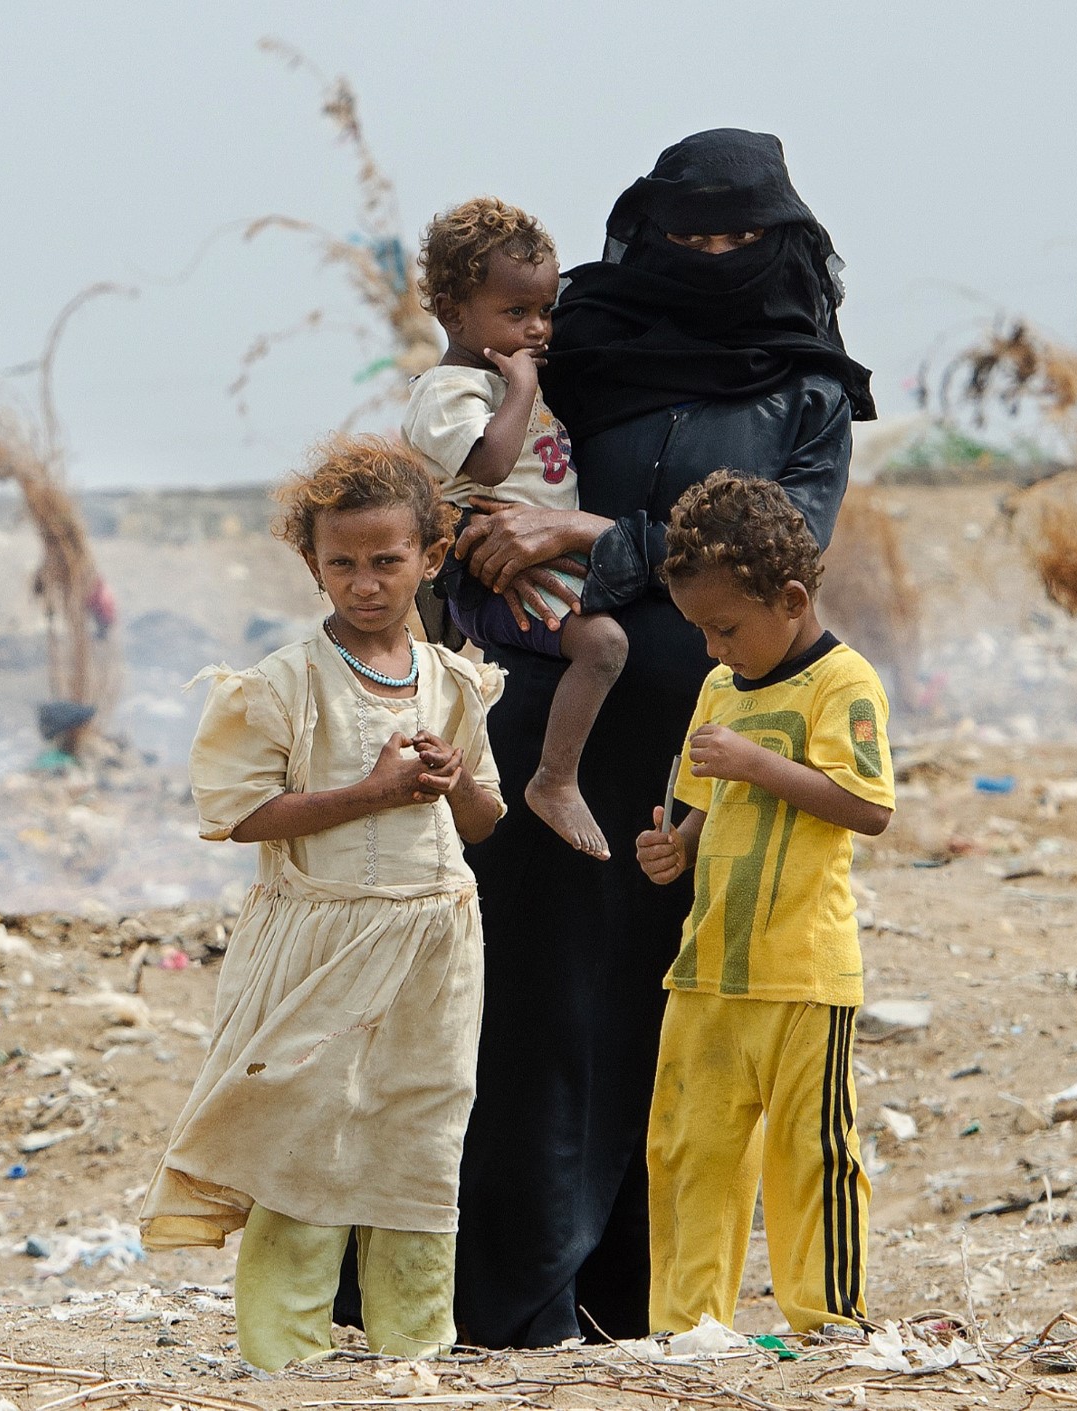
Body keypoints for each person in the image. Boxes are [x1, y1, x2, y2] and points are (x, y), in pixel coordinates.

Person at [390, 129, 874, 1348]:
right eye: (687, 235)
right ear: (644, 235)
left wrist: (584, 534)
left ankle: (639, 1302)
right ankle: (505, 1298)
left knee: (675, 1014)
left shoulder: (808, 389)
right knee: (535, 1008)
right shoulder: (586, 344)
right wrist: (493, 537)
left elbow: (783, 546)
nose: (710, 257)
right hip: (548, 723)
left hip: (709, 743)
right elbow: (476, 466)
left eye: (737, 236)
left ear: (782, 240)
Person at [140, 436, 505, 1371]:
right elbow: (242, 814)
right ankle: (284, 1358)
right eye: (341, 562)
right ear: (313, 564)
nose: (366, 582)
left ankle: (415, 1349)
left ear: (431, 556)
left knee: (420, 1129)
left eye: (387, 561)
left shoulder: (454, 681)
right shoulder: (285, 685)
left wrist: (457, 781)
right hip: (321, 940)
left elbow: (486, 818)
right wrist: (373, 794)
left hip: (435, 939)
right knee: (308, 1129)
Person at [635, 471, 893, 1335]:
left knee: (810, 1156)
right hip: (708, 968)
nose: (713, 649)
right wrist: (675, 849)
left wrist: (759, 764)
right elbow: (704, 813)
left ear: (789, 598)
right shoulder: (718, 691)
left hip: (801, 974)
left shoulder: (842, 682)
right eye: (702, 629)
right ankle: (686, 1327)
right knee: (686, 1152)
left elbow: (868, 805)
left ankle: (828, 1324)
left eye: (726, 627)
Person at [404, 197, 627, 861]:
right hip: (500, 578)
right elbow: (492, 463)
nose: (537, 331)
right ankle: (554, 780)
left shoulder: (511, 375)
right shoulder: (449, 391)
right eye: (515, 313)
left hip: (549, 559)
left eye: (545, 312)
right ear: (452, 312)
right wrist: (523, 390)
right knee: (605, 645)